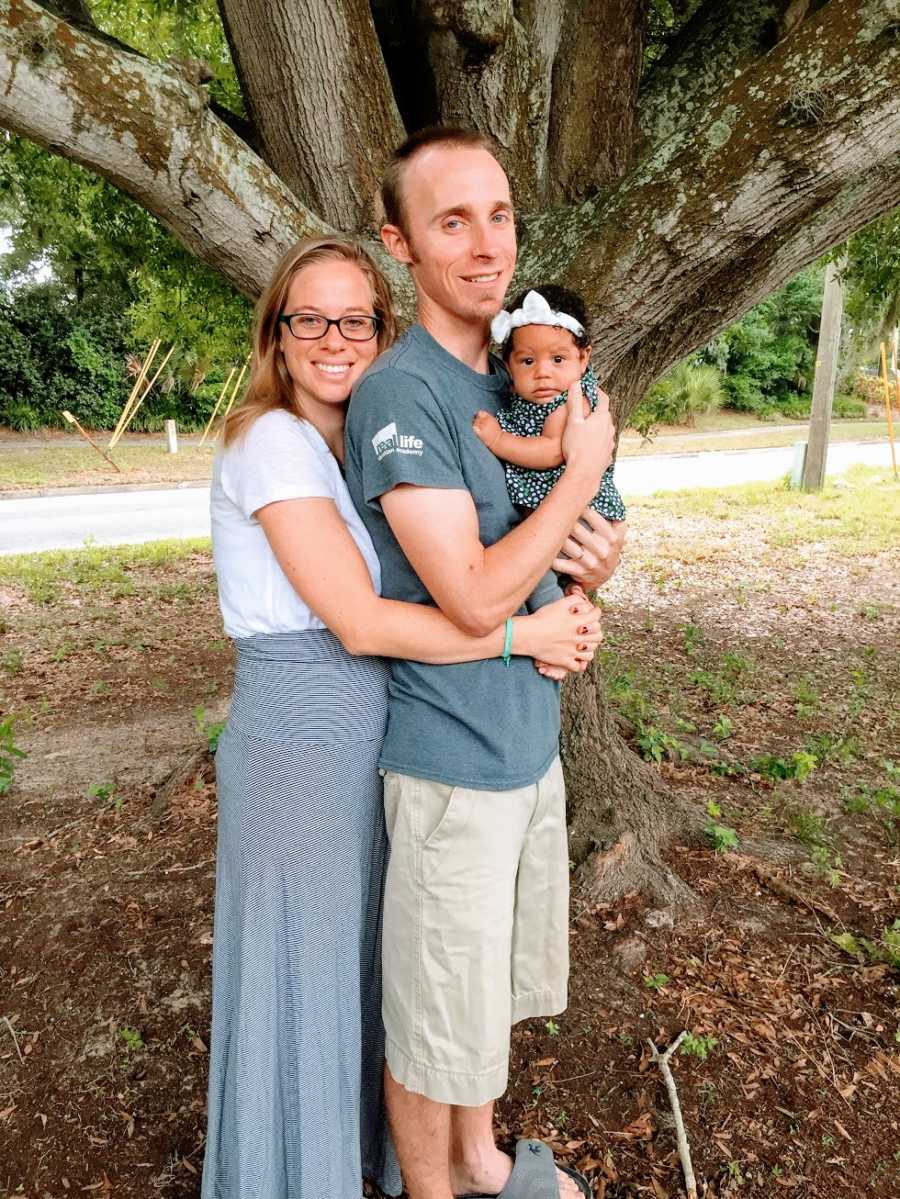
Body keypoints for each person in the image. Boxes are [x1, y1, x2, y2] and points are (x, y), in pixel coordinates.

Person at [202, 235, 606, 1199]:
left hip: (364, 728)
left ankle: (379, 1163)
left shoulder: (345, 442)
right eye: (311, 318)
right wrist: (519, 636)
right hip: (300, 737)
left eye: (356, 319)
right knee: (300, 970)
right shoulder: (270, 443)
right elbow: (359, 618)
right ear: (277, 334)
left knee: (362, 972)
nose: (335, 339)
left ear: (378, 331)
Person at [343, 129, 626, 1199]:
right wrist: (578, 477)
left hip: (522, 744)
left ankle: (479, 1159)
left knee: (475, 994)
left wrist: (597, 559)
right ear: (399, 243)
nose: (483, 243)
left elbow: (546, 550)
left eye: (498, 214)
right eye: (450, 219)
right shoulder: (400, 393)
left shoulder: (522, 381)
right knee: (430, 1015)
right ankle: (433, 1188)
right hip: (451, 760)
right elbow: (466, 588)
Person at [473, 285, 627, 524]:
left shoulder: (572, 401)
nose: (542, 372)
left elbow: (552, 451)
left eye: (558, 359)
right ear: (508, 365)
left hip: (582, 517)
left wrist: (498, 440)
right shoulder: (525, 398)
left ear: (583, 358)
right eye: (527, 361)